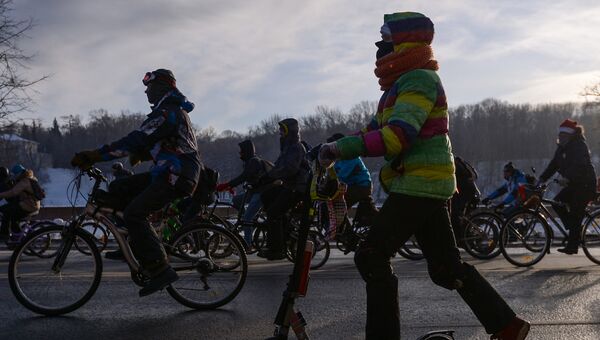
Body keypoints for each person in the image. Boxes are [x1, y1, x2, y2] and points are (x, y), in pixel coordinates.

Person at [318, 12, 528, 340]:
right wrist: (335, 147)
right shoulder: (399, 87)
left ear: (403, 43)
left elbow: (397, 135)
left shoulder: (419, 79)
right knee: (446, 269)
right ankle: (507, 325)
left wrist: (339, 149)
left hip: (421, 183)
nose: (379, 53)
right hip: (425, 183)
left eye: (385, 43)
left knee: (371, 256)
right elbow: (372, 130)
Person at [70, 68, 201, 297]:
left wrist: (96, 155)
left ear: (162, 86)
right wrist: (144, 152)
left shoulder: (168, 111)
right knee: (119, 187)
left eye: (148, 85)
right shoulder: (169, 110)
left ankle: (160, 269)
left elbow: (139, 137)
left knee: (134, 214)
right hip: (167, 171)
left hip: (176, 175)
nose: (145, 90)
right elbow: (159, 141)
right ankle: (132, 244)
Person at [538, 119, 597, 254]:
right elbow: (553, 165)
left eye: (562, 135)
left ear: (569, 135)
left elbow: (580, 165)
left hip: (586, 184)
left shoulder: (579, 145)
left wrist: (567, 177)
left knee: (576, 213)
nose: (559, 137)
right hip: (574, 184)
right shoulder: (561, 149)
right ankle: (575, 230)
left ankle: (572, 245)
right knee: (557, 202)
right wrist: (541, 179)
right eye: (559, 135)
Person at [257, 118, 310, 260]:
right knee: (267, 196)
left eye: (282, 130)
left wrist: (271, 177)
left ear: (289, 131)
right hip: (289, 185)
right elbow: (279, 166)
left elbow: (290, 169)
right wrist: (265, 176)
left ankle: (277, 249)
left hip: (298, 187)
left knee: (274, 212)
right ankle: (283, 230)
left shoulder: (296, 147)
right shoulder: (287, 147)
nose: (280, 132)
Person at [216, 139, 272, 246]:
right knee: (236, 200)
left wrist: (228, 185)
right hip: (253, 191)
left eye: (241, 150)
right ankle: (247, 219)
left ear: (246, 151)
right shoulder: (248, 162)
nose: (239, 153)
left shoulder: (253, 161)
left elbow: (244, 177)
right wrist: (231, 187)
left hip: (260, 193)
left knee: (247, 218)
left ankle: (247, 244)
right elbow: (250, 179)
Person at [327, 133, 378, 226]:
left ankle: (348, 236)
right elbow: (330, 173)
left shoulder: (351, 157)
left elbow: (342, 176)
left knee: (337, 206)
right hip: (352, 186)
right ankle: (343, 231)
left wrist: (329, 182)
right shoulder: (339, 158)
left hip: (362, 187)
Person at [0, 165, 42, 246]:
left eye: (15, 175)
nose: (14, 177)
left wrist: (0, 195)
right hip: (31, 204)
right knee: (13, 217)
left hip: (29, 205)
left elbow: (13, 192)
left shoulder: (24, 181)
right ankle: (16, 239)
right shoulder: (29, 178)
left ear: (19, 173)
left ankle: (4, 234)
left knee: (5, 210)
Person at [451, 156, 481, 247]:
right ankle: (463, 238)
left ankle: (461, 240)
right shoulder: (457, 160)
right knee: (460, 216)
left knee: (455, 214)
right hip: (469, 192)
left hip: (467, 193)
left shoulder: (453, 163)